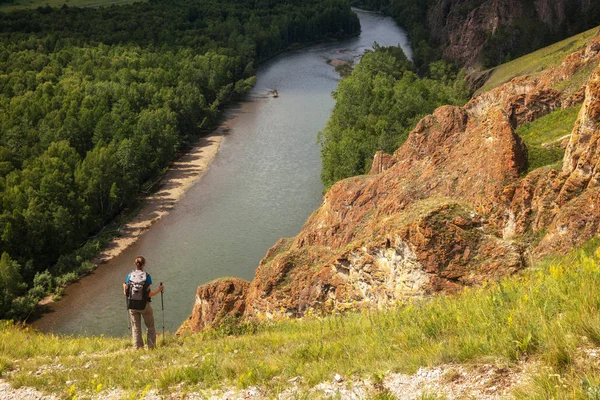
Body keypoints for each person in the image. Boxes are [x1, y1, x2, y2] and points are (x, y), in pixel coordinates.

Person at [123, 256, 164, 349]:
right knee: (150, 326)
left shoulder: (129, 276)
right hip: (144, 305)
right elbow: (150, 294)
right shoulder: (147, 276)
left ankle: (137, 347)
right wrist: (160, 289)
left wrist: (123, 286)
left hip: (132, 306)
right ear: (144, 264)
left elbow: (125, 293)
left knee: (136, 327)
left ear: (135, 264)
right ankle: (151, 347)